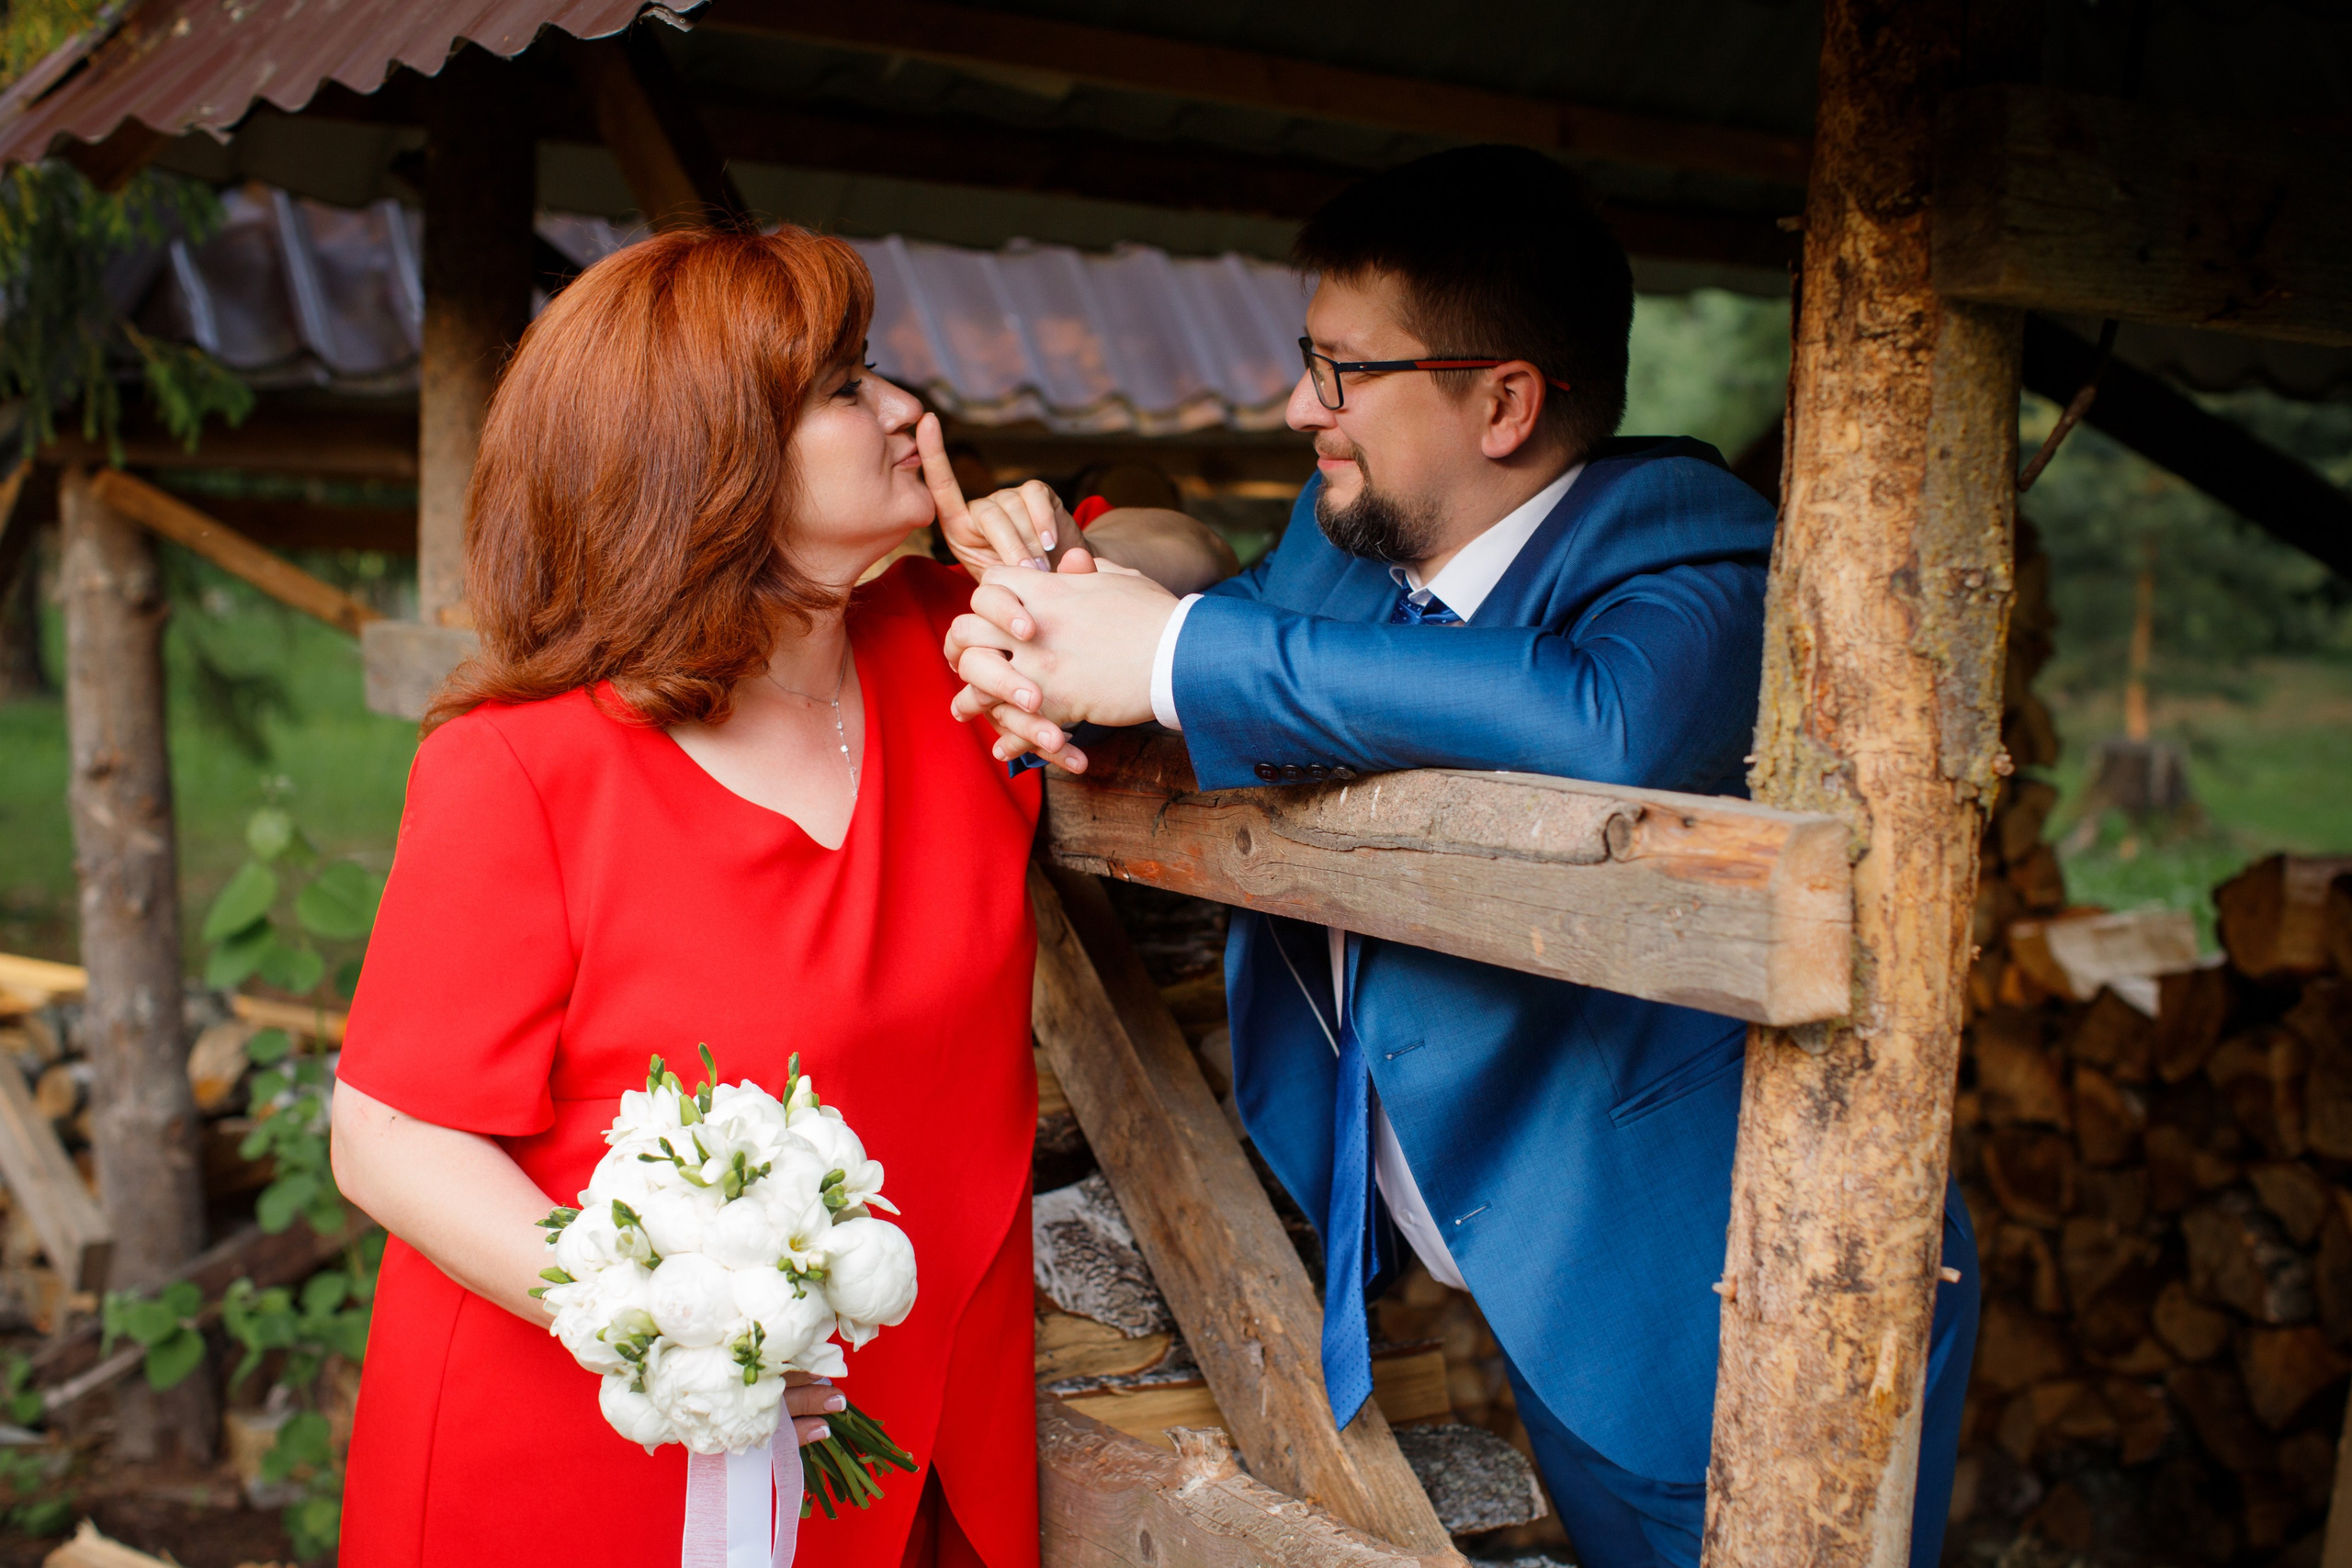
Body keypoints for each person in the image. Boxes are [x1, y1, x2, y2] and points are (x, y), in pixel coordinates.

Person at [940, 146, 1979, 1568]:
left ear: (1503, 402)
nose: (1300, 406)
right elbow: (1243, 605)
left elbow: (1593, 719)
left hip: (1711, 1296)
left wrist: (1174, 656)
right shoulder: (1352, 530)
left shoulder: (1710, 556)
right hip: (1519, 1251)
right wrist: (1081, 583)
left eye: (1343, 371)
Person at [327, 225, 1227, 1568]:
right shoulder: (520, 765)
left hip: (909, 1429)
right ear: (710, 452)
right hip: (593, 1442)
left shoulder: (956, 650)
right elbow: (389, 1137)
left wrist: (1024, 532)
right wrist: (665, 1318)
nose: (909, 410)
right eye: (846, 388)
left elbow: (1183, 546)